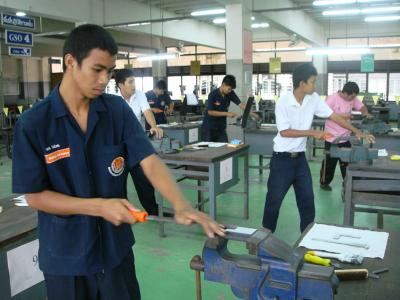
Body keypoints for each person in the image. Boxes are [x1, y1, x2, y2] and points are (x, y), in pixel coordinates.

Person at [12, 24, 224, 300]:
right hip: (66, 260)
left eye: (109, 72)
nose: (104, 79)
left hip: (115, 252)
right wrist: (99, 207)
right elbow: (35, 196)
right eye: (97, 69)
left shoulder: (115, 110)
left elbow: (148, 159)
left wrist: (180, 204)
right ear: (70, 62)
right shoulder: (35, 123)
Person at [262, 63, 374, 233]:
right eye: (313, 82)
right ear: (302, 84)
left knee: (307, 201)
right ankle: (264, 240)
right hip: (282, 160)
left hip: (300, 160)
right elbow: (284, 132)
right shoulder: (283, 102)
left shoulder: (312, 98)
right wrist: (313, 133)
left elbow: (333, 116)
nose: (315, 86)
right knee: (273, 202)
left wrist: (357, 131)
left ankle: (307, 239)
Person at [115, 68, 165, 216]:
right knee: (118, 181)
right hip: (118, 146)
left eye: (134, 81)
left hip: (135, 145)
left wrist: (154, 126)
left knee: (144, 179)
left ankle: (153, 211)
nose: (134, 85)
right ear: (120, 85)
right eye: (130, 82)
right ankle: (122, 210)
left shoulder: (139, 95)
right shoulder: (112, 98)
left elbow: (147, 111)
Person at [320, 82, 373, 191]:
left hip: (345, 136)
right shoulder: (331, 99)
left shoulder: (352, 98)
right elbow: (325, 114)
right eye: (352, 96)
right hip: (331, 137)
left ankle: (347, 184)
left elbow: (361, 107)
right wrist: (345, 116)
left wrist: (365, 113)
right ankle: (324, 182)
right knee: (329, 163)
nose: (354, 99)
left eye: (355, 97)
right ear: (346, 93)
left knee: (346, 163)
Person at [201, 75, 248, 142]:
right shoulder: (213, 94)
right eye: (229, 89)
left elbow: (240, 104)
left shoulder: (230, 93)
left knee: (224, 149)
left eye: (231, 89)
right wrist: (227, 113)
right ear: (223, 85)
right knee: (209, 151)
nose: (230, 91)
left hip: (221, 128)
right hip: (209, 128)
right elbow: (210, 112)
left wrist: (252, 113)